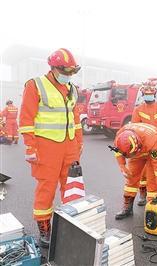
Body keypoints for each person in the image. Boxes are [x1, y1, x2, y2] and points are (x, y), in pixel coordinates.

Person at [19, 48, 83, 248]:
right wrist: (30, 146)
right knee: (46, 188)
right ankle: (45, 229)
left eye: (72, 73)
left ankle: (71, 225)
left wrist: (79, 142)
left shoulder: (72, 88)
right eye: (65, 72)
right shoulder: (35, 85)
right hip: (46, 147)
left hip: (70, 145)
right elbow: (26, 118)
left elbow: (75, 118)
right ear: (53, 68)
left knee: (72, 188)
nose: (68, 76)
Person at [130, 81, 157, 207]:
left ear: (155, 94)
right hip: (143, 147)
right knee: (143, 173)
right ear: (143, 94)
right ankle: (144, 196)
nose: (148, 95)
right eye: (146, 94)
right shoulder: (138, 110)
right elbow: (134, 129)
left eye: (150, 93)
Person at [113, 122, 157, 220]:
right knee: (131, 178)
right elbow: (118, 152)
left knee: (153, 182)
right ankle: (127, 207)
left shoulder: (153, 140)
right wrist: (122, 165)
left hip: (154, 147)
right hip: (137, 153)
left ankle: (152, 210)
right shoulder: (120, 136)